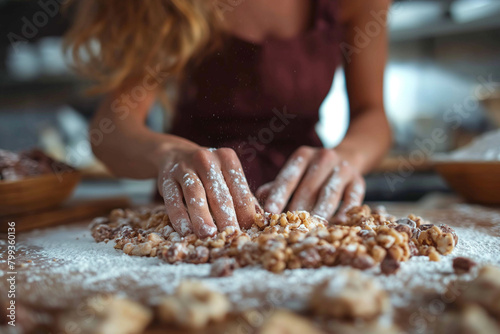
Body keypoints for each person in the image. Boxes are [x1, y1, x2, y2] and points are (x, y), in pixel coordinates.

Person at [65, 0, 392, 238]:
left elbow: (372, 113)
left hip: (306, 212)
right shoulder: (169, 6)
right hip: (195, 213)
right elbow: (111, 130)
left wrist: (347, 158)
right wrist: (167, 154)